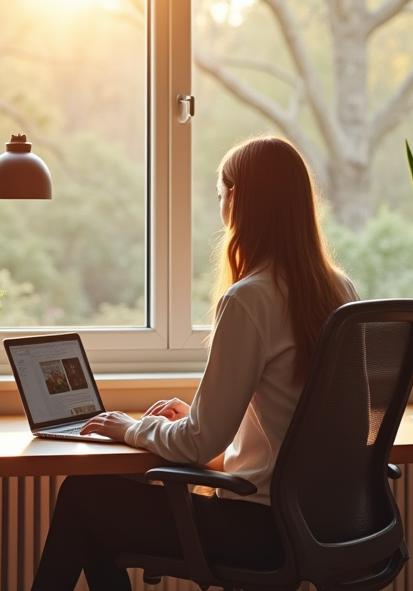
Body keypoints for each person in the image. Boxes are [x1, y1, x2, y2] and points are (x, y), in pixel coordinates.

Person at [31, 136, 358, 591]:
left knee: (83, 496)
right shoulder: (339, 289)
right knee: (96, 518)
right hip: (326, 525)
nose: (219, 205)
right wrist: (198, 419)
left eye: (221, 193)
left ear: (238, 199)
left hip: (261, 530)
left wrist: (130, 428)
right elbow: (296, 417)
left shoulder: (251, 298)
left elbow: (200, 445)